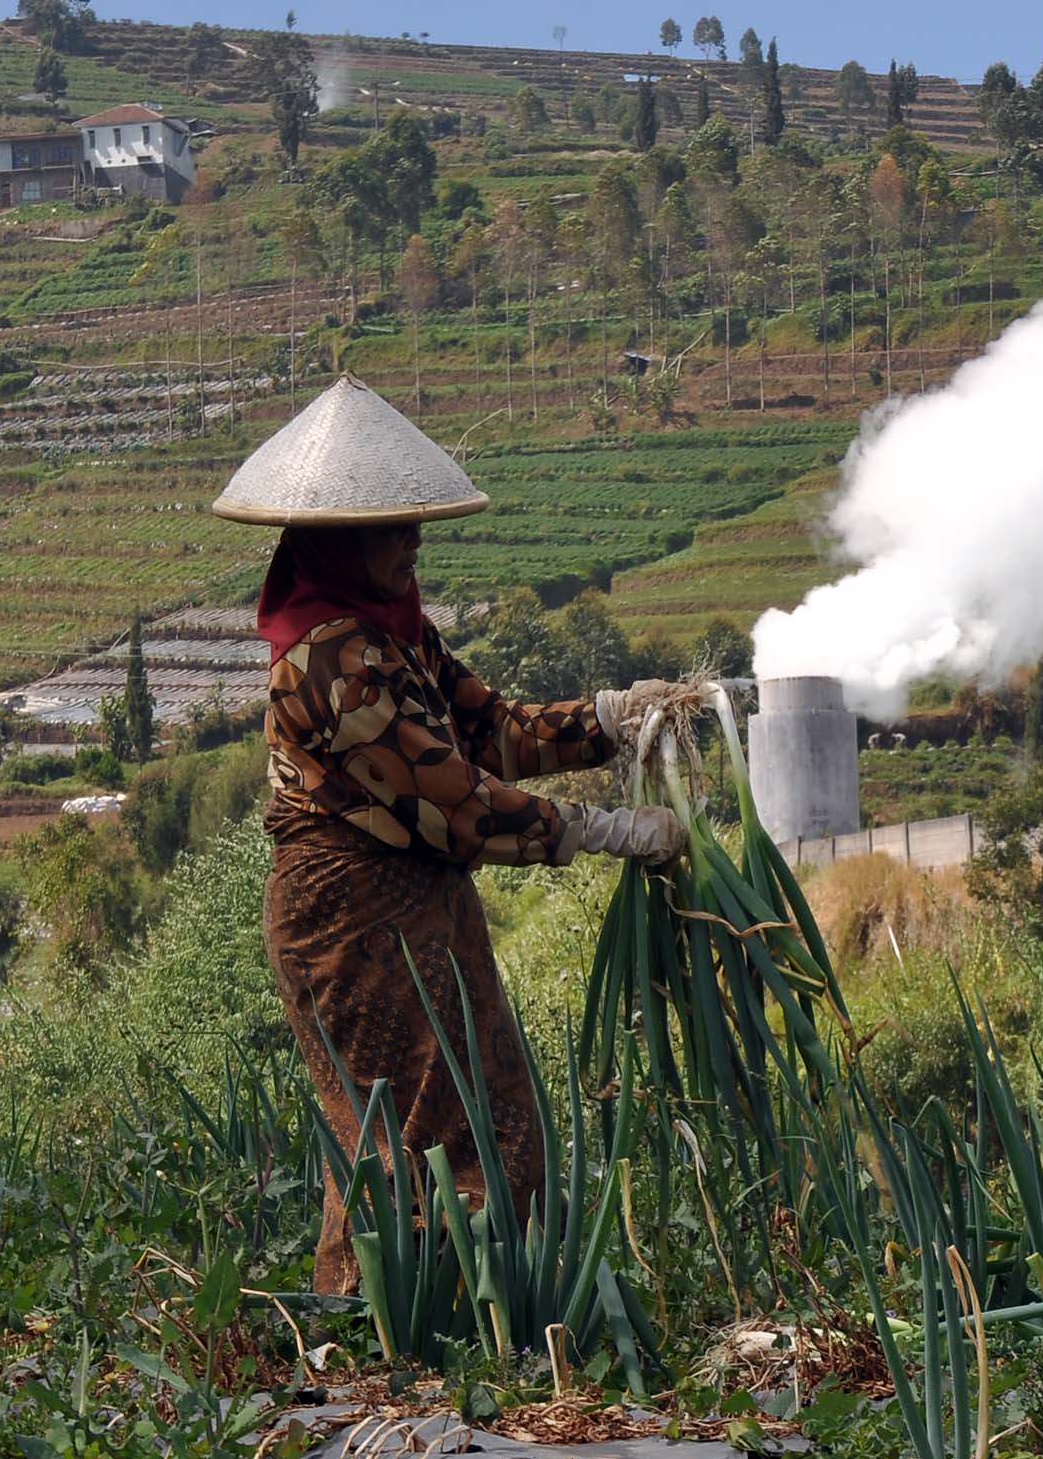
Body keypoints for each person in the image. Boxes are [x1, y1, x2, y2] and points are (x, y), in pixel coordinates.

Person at [215, 377, 699, 1294]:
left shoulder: (393, 637)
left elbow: (487, 733)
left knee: (483, 1113)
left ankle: (474, 1333)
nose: (414, 542)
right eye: (392, 528)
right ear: (337, 542)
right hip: (351, 919)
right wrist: (597, 829)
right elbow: (453, 800)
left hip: (417, 901)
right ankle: (396, 1346)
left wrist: (607, 720)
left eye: (412, 523)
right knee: (417, 1140)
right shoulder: (329, 663)